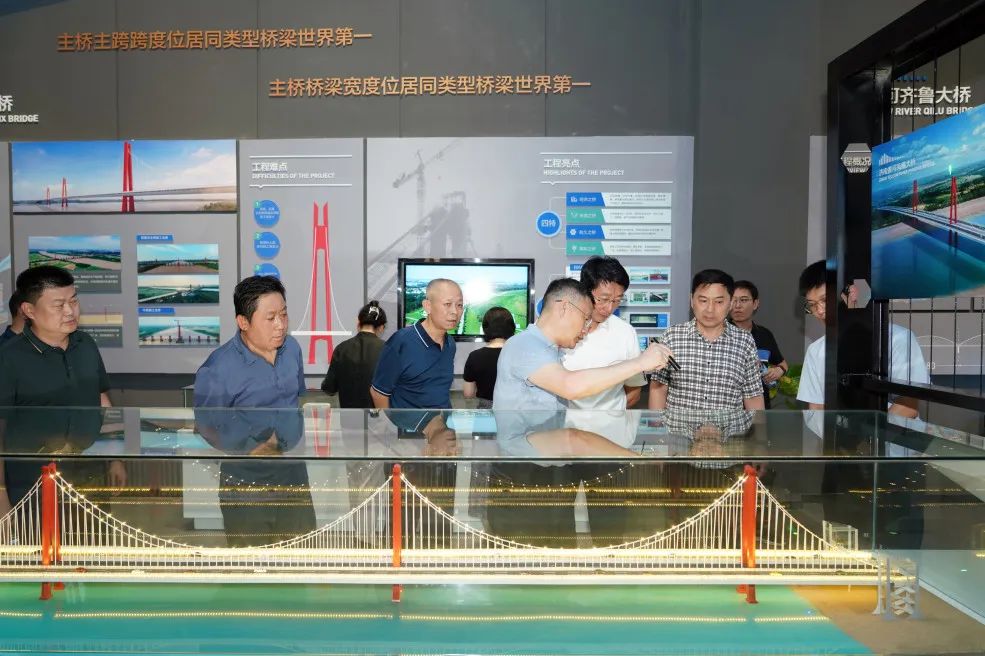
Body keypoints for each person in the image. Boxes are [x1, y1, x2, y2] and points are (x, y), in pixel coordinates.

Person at [193, 275, 315, 545]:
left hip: (293, 472)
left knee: (301, 551)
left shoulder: (292, 350)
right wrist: (249, 446)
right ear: (243, 322)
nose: (281, 325)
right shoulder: (218, 368)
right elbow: (205, 425)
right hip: (246, 480)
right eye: (270, 318)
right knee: (253, 559)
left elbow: (297, 398)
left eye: (284, 314)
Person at [0, 266, 117, 514]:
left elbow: (102, 401)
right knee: (38, 539)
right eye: (58, 305)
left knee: (94, 538)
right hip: (33, 482)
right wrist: (1, 496)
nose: (70, 311)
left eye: (73, 301)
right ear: (29, 310)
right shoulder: (8, 358)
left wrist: (116, 456)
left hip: (89, 475)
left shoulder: (86, 344)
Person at [493, 278, 672, 415]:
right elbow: (570, 385)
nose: (586, 329)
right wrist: (640, 363)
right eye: (586, 319)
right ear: (564, 308)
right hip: (524, 453)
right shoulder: (525, 345)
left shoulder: (550, 349)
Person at [796, 260, 927, 416]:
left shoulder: (898, 339)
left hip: (893, 431)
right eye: (812, 304)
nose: (820, 311)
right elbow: (816, 408)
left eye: (825, 300)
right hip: (839, 431)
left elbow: (908, 405)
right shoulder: (816, 350)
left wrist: (871, 431)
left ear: (850, 294)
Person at [648, 269, 765, 411]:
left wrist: (758, 426)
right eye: (703, 300)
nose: (710, 309)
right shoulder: (672, 337)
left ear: (730, 303)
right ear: (692, 300)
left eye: (719, 302)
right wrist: (656, 424)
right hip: (679, 426)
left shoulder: (745, 341)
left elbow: (753, 396)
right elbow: (658, 389)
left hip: (728, 426)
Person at [562, 256, 646, 409]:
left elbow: (634, 392)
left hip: (611, 423)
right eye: (603, 299)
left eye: (617, 300)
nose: (609, 308)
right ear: (585, 290)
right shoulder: (560, 329)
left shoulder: (625, 333)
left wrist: (606, 417)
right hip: (565, 422)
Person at [370, 278, 462, 411]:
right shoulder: (401, 341)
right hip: (407, 424)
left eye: (459, 305)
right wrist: (387, 422)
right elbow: (378, 392)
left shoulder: (450, 344)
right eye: (447, 304)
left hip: (441, 422)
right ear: (427, 306)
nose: (455, 311)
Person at [729, 280, 788, 409]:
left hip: (760, 406)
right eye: (733, 300)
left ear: (755, 304)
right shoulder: (720, 333)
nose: (737, 305)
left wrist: (779, 370)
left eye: (743, 300)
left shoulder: (764, 334)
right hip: (730, 409)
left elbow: (783, 364)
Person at [321, 300, 387, 408]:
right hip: (378, 417)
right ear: (381, 327)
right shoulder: (388, 350)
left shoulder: (341, 348)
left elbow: (329, 388)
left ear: (358, 322)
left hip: (349, 416)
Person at [463, 306, 515, 408]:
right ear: (511, 327)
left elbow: (468, 394)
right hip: (513, 411)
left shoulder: (474, 356)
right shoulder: (521, 355)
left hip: (485, 410)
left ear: (485, 328)